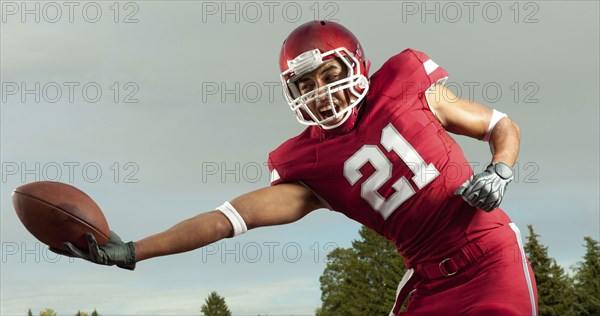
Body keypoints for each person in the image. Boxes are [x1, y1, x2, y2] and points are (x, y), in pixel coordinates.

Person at [54, 21, 538, 315]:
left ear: (359, 68)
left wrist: (500, 169)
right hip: (429, 281)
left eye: (331, 74)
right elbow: (227, 219)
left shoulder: (407, 83)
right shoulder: (308, 163)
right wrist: (135, 249)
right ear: (292, 92)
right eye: (307, 83)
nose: (322, 91)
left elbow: (500, 125)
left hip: (491, 257)